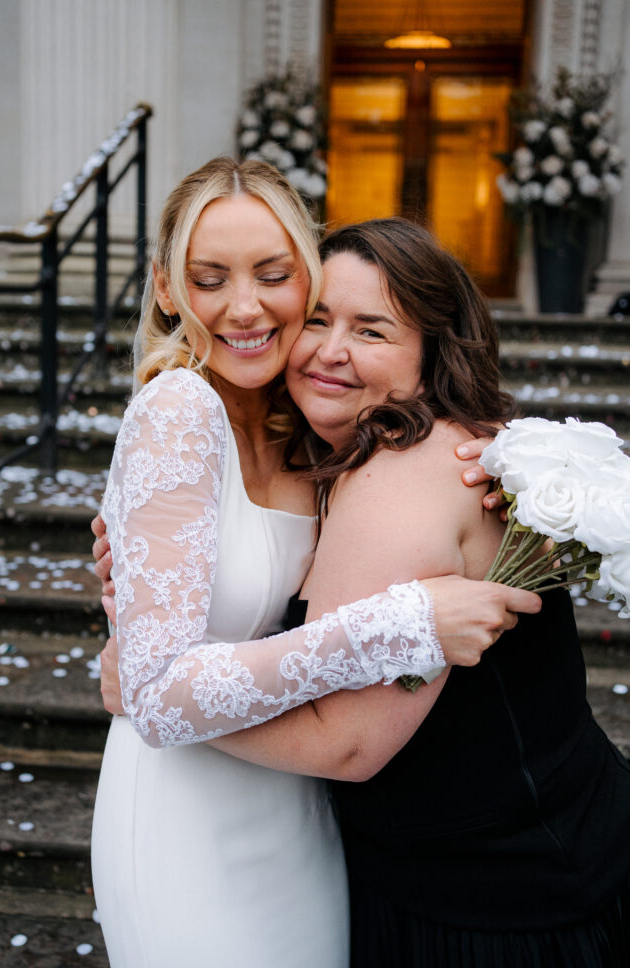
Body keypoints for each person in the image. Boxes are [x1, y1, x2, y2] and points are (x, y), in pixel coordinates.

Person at [90, 157, 537, 968]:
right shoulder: (179, 409)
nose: (246, 307)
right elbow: (157, 693)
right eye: (210, 278)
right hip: (188, 813)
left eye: (273, 274)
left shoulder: (299, 423)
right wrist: (401, 622)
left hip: (294, 805)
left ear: (306, 274)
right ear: (165, 289)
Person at [188, 217, 627, 967]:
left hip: (500, 904)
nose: (331, 350)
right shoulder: (394, 446)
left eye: (371, 330)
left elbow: (347, 741)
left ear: (429, 354)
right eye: (318, 319)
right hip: (542, 850)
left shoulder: (400, 475)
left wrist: (167, 702)